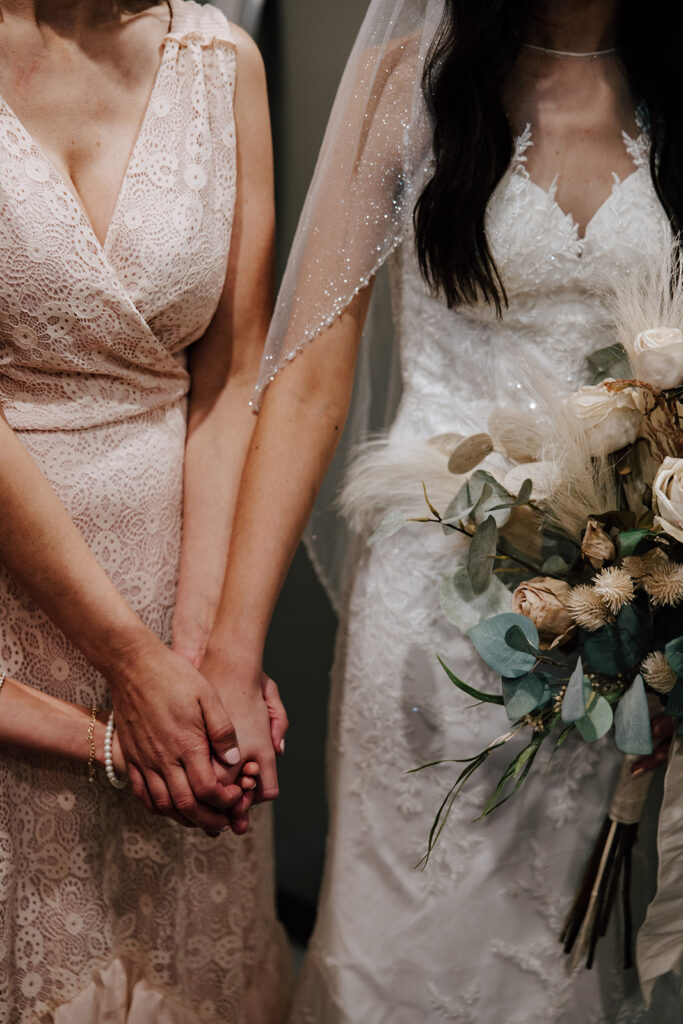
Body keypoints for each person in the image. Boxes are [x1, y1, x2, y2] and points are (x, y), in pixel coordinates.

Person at [197, 0, 683, 1020]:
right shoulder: (405, 91)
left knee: (554, 959)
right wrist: (231, 653)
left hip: (611, 616)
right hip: (428, 606)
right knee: (401, 933)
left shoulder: (668, 92)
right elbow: (309, 382)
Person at [0, 0, 289, 1019]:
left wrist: (208, 655)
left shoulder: (223, 63)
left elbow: (231, 373)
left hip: (179, 586)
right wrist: (126, 656)